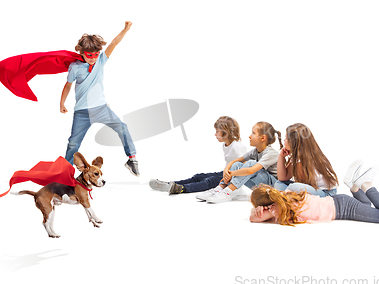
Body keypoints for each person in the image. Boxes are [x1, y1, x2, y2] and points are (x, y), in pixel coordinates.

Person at [60, 22, 139, 176]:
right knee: (73, 143)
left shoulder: (101, 60)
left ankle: (132, 159)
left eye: (96, 54)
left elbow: (114, 43)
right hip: (82, 112)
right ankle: (66, 172)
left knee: (122, 127)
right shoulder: (75, 67)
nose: (93, 58)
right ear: (82, 52)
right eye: (89, 55)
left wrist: (125, 29)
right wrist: (62, 102)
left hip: (101, 108)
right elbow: (68, 85)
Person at [249, 160, 379, 225]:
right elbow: (256, 216)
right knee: (366, 204)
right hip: (339, 201)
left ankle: (366, 185)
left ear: (268, 205)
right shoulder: (286, 194)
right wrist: (262, 208)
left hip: (344, 209)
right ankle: (354, 186)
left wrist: (260, 210)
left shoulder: (279, 209)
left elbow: (253, 219)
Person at [149, 116, 247, 197]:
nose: (215, 134)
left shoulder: (237, 146)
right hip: (225, 173)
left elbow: (246, 166)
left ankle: (181, 188)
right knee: (198, 176)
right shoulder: (225, 145)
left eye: (217, 131)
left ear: (225, 133)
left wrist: (231, 180)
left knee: (209, 181)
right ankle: (169, 184)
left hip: (232, 177)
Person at [206, 121, 282, 204]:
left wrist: (231, 173)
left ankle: (227, 192)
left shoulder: (271, 153)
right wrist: (226, 170)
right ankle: (221, 188)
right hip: (262, 185)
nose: (249, 136)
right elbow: (234, 161)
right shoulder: (255, 151)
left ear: (263, 138)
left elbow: (251, 170)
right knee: (237, 165)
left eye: (253, 133)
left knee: (251, 164)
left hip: (274, 187)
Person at [275, 123, 338, 196]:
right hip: (312, 188)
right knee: (279, 184)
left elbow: (302, 184)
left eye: (286, 138)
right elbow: (282, 178)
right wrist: (281, 157)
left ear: (293, 143)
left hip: (325, 192)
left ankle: (286, 196)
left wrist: (290, 189)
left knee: (293, 187)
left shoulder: (304, 159)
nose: (284, 140)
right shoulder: (296, 157)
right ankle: (287, 195)